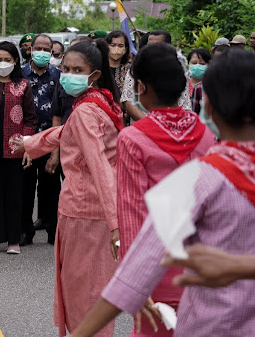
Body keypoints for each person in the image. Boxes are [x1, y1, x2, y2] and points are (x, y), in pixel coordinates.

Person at [71, 49, 255, 336]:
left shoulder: (200, 178)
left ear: (210, 104)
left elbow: (133, 218)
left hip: (199, 304)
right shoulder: (203, 136)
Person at [17, 40, 123, 337]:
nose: (67, 75)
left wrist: (116, 222)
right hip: (93, 212)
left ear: (94, 75)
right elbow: (66, 131)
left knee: (83, 294)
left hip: (85, 213)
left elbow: (98, 164)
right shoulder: (99, 101)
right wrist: (31, 143)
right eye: (64, 68)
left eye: (77, 70)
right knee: (91, 289)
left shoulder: (87, 110)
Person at [116, 43, 215, 336]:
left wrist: (134, 281)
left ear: (142, 87)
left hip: (155, 269)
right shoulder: (206, 134)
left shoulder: (133, 138)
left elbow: (132, 212)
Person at [0, 41, 36, 256]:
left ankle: (13, 239)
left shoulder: (23, 85)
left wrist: (28, 145)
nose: (2, 63)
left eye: (7, 60)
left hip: (15, 150)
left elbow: (30, 119)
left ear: (16, 61)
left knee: (14, 196)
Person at [21, 34, 61, 246]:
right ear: (31, 49)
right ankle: (25, 231)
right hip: (25, 141)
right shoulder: (19, 74)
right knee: (25, 189)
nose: (42, 52)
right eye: (38, 48)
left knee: (51, 189)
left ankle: (53, 231)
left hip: (50, 141)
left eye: (47, 49)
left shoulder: (59, 75)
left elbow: (61, 112)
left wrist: (56, 150)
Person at [121, 30, 191, 122]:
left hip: (172, 130)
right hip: (142, 129)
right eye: (149, 45)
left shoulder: (178, 71)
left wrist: (167, 127)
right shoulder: (136, 69)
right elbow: (128, 102)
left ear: (168, 47)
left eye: (157, 46)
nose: (151, 50)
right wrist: (151, 125)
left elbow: (185, 106)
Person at [105, 30, 132, 95]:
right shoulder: (99, 67)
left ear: (125, 49)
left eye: (120, 46)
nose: (116, 48)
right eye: (113, 45)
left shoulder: (130, 70)